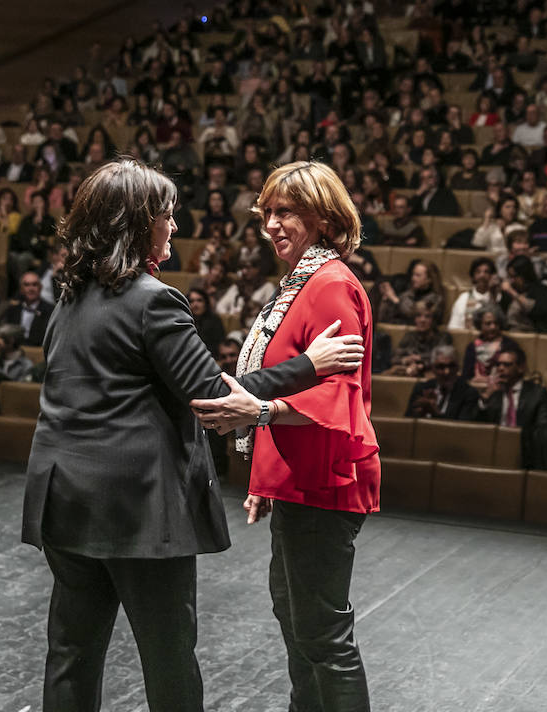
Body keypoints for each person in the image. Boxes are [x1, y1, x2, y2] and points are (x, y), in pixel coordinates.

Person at [20, 159, 364, 711]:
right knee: (169, 655)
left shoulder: (68, 298)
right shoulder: (153, 299)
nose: (174, 226)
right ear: (138, 223)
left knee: (71, 652)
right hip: (136, 506)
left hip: (64, 499)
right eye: (167, 215)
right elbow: (213, 396)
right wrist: (309, 364)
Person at [187, 161, 380, 712]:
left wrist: (262, 409)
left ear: (322, 217)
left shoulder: (330, 285)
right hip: (300, 479)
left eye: (286, 211)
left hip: (327, 479)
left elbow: (338, 397)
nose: (271, 223)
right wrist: (267, 478)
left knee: (321, 634)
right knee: (297, 621)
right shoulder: (300, 282)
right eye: (267, 212)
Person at [470, 344, 547, 467]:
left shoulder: (537, 393)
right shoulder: (493, 393)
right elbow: (475, 426)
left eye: (507, 365)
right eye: (498, 365)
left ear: (521, 368)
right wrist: (486, 396)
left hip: (524, 451)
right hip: (493, 449)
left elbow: (543, 427)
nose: (501, 368)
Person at [405, 344, 478, 419]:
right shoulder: (421, 388)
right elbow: (407, 422)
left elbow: (462, 428)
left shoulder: (469, 393)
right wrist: (418, 414)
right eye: (441, 367)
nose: (447, 372)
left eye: (451, 366)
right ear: (433, 368)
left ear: (458, 368)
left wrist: (435, 413)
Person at [502, 255, 547, 333]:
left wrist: (512, 292)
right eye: (509, 276)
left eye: (514, 276)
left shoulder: (541, 290)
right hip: (513, 334)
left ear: (524, 275)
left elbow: (538, 313)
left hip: (538, 334)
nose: (511, 280)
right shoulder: (510, 291)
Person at [462, 304, 518, 387]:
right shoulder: (472, 347)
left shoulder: (509, 345)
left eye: (496, 323)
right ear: (480, 325)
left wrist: (485, 379)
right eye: (488, 324)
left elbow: (513, 373)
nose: (493, 327)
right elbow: (467, 375)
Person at [388, 304, 452, 376]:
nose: (422, 320)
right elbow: (394, 358)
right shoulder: (409, 336)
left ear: (433, 320)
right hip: (407, 370)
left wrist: (421, 361)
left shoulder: (443, 337)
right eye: (418, 316)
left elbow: (444, 359)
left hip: (431, 373)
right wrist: (405, 360)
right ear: (415, 319)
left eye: (427, 317)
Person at [377, 260, 445, 325]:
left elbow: (415, 314)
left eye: (418, 275)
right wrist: (386, 300)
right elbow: (384, 318)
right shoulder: (407, 294)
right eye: (413, 274)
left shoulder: (436, 298)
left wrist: (395, 299)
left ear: (429, 279)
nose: (413, 278)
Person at [0, 270, 52, 347]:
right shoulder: (12, 310)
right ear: (21, 289)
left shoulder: (50, 310)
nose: (31, 288)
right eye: (27, 285)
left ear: (40, 288)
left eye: (34, 285)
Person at [448, 257, 502, 329]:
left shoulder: (499, 297)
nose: (482, 275)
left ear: (492, 276)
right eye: (478, 272)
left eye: (486, 272)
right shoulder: (464, 298)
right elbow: (454, 327)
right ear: (473, 276)